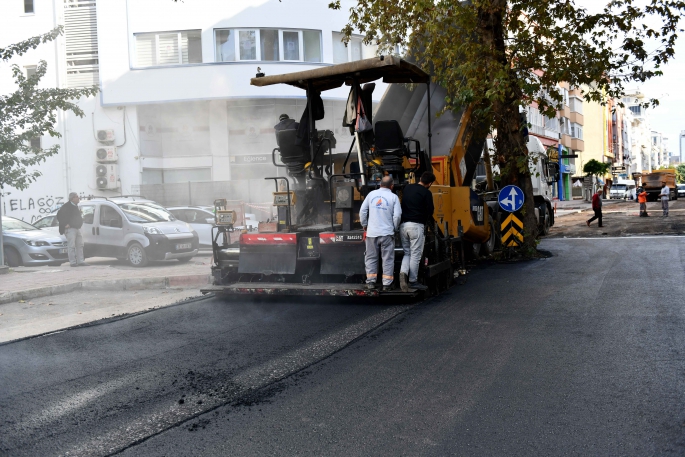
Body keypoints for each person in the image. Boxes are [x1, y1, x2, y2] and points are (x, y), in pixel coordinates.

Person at [360, 176, 401, 291]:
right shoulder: (394, 197)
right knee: (387, 258)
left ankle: (371, 282)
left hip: (372, 233)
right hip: (387, 233)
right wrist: (394, 228)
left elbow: (363, 211)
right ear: (391, 186)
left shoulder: (371, 195)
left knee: (371, 257)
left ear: (380, 184)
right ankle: (387, 284)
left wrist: (364, 225)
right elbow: (397, 216)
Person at [398, 171, 436, 292]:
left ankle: (403, 273)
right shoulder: (427, 192)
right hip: (416, 226)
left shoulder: (408, 188)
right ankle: (413, 281)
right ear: (429, 183)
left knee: (407, 253)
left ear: (420, 178)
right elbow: (430, 210)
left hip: (403, 226)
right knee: (415, 255)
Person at [56, 192, 90, 267]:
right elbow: (59, 216)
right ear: (72, 199)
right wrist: (65, 224)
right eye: (76, 197)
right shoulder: (66, 206)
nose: (78, 198)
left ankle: (80, 260)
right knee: (71, 245)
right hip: (70, 228)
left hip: (77, 227)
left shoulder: (75, 206)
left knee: (80, 244)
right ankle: (72, 262)